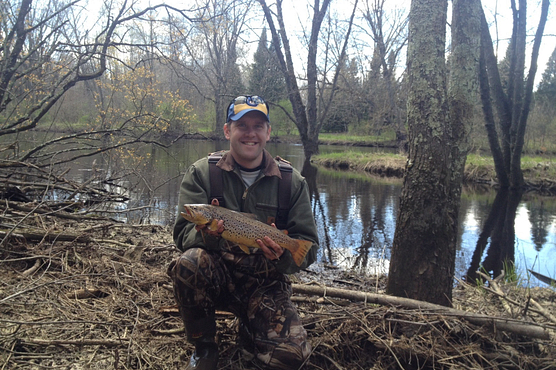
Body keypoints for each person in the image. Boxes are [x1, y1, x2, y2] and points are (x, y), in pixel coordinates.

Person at [167, 95, 319, 370]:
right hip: (217, 278)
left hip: (265, 286)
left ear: (268, 133)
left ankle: (251, 330)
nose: (250, 133)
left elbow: (307, 248)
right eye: (241, 125)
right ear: (227, 130)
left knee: (290, 357)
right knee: (188, 264)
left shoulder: (292, 182)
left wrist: (283, 255)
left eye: (258, 126)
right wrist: (207, 235)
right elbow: (181, 234)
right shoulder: (202, 173)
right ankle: (204, 347)